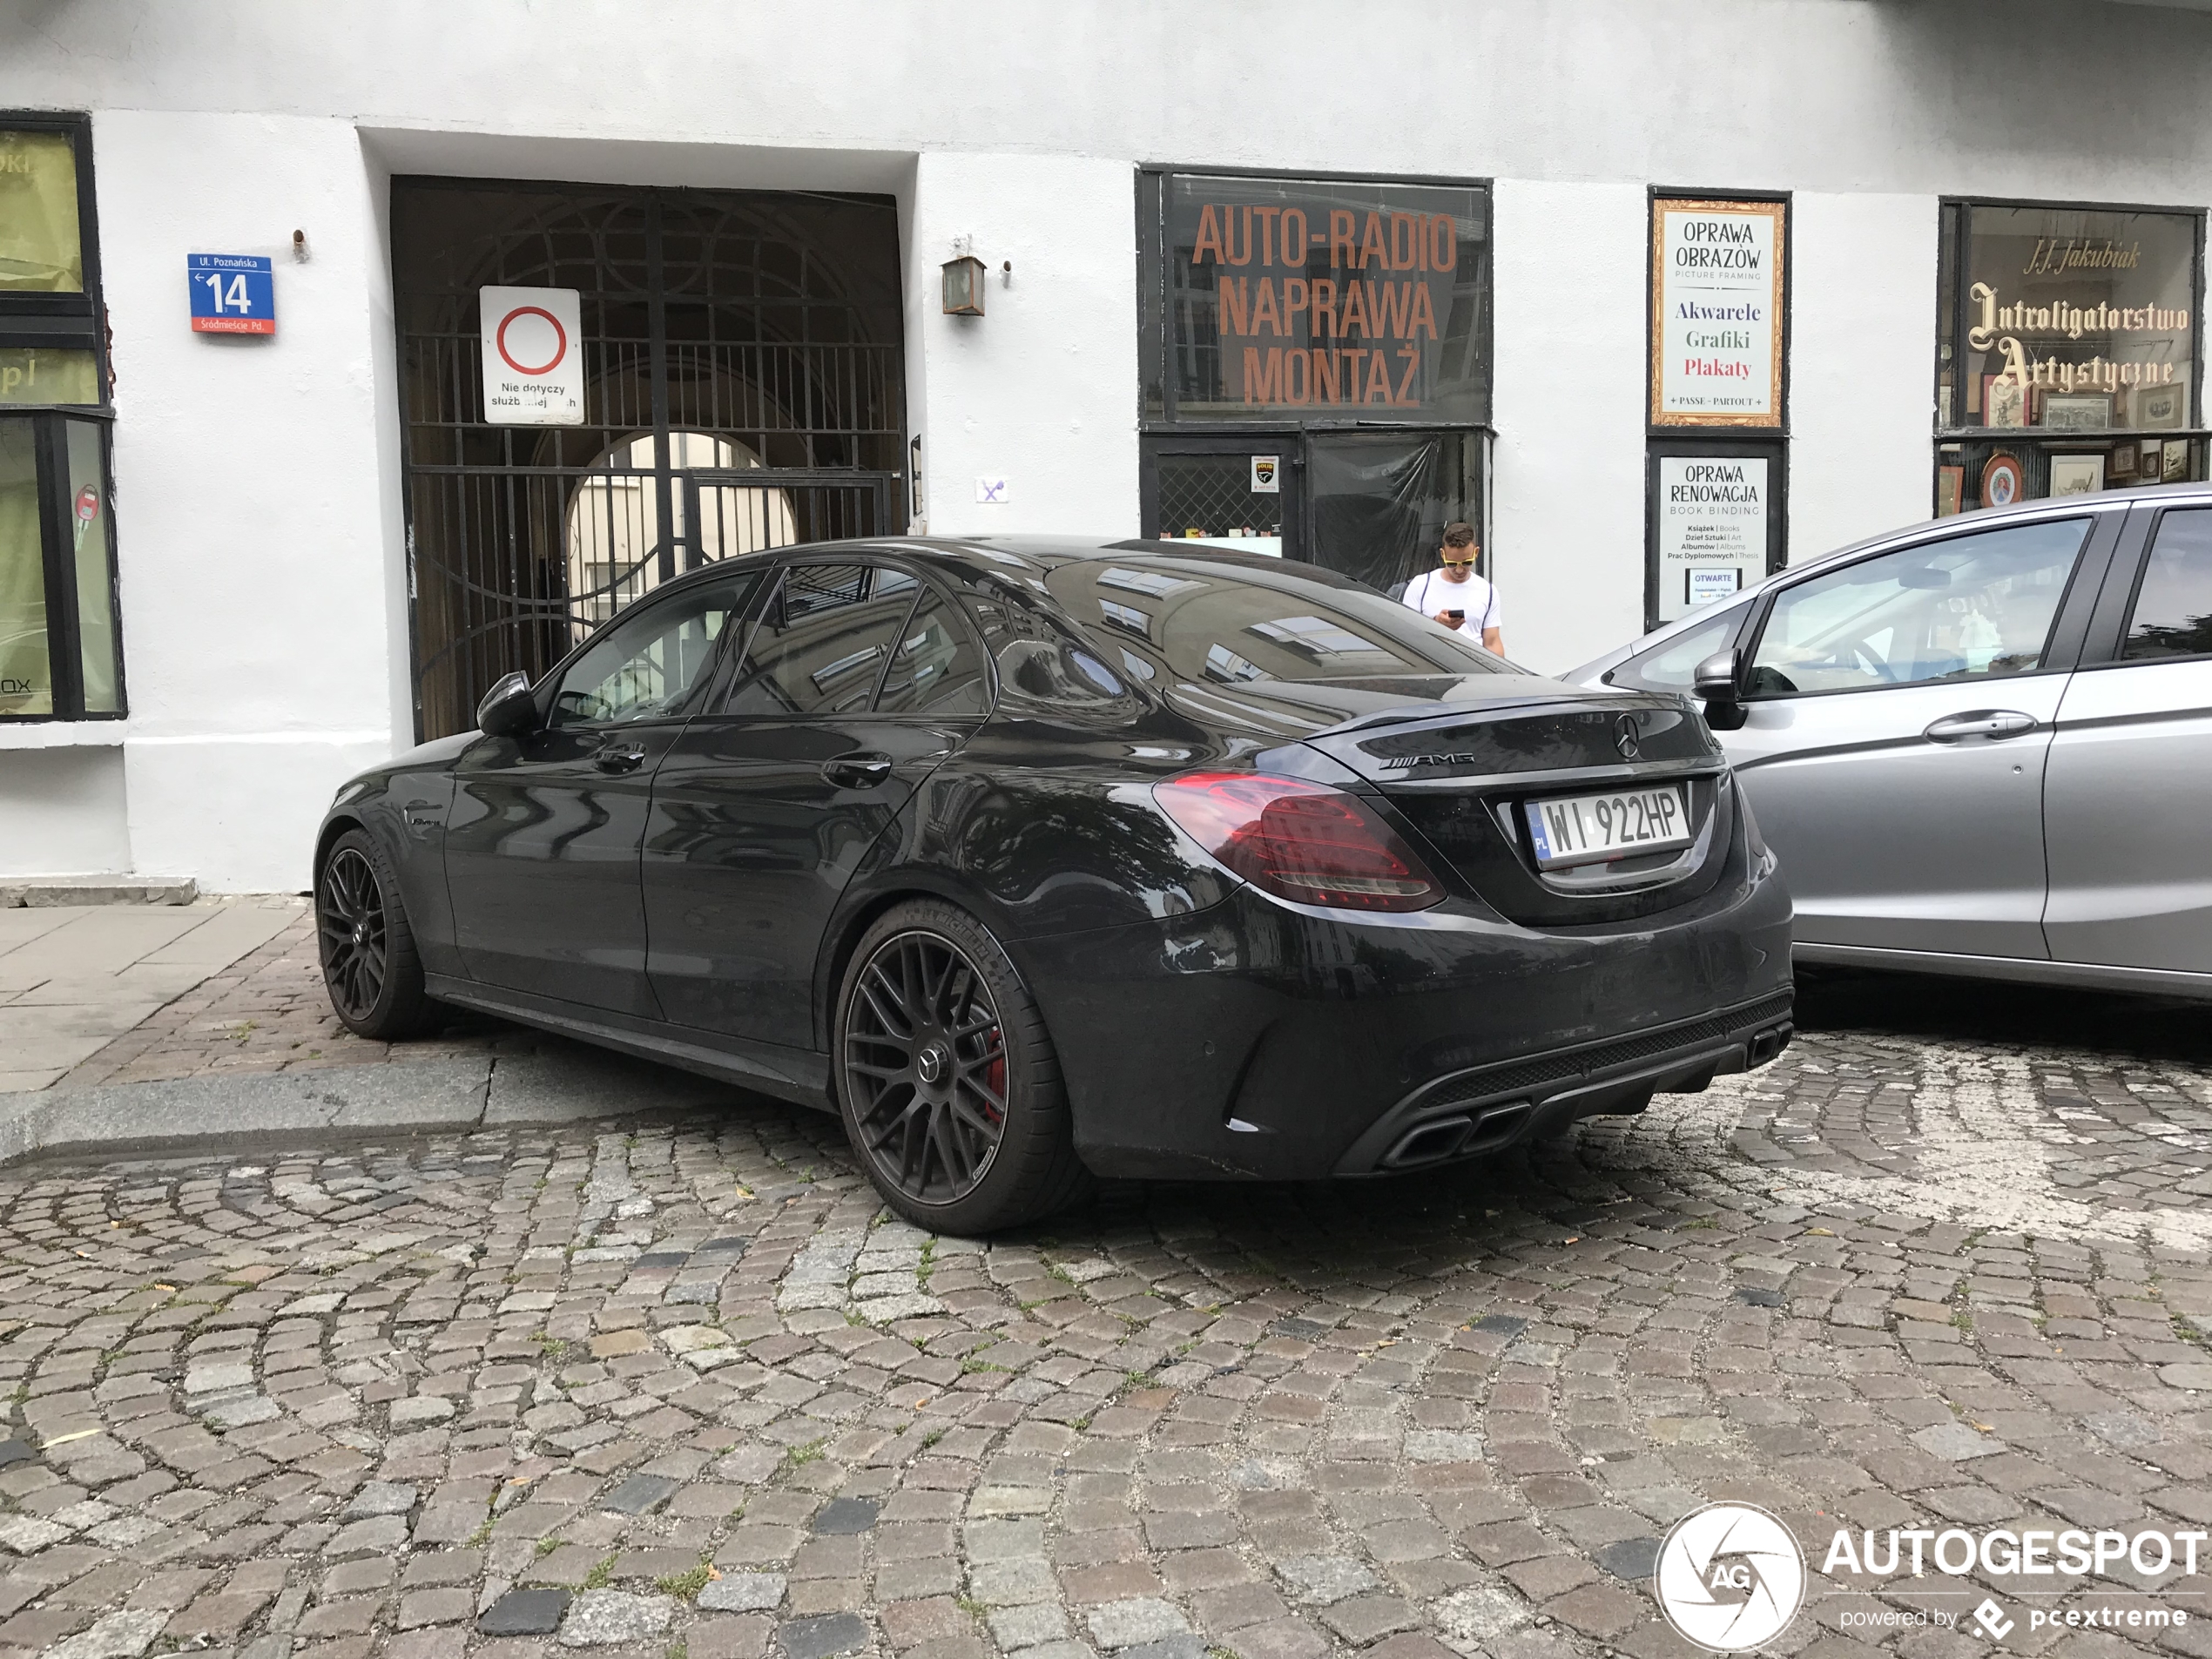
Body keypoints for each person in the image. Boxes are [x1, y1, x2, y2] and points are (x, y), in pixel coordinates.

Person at [1400, 523, 1503, 655]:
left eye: (1466, 562)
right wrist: (1436, 624)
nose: (1459, 570)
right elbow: (1406, 635)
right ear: (1442, 554)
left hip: (1474, 670)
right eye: (1452, 563)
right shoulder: (1421, 585)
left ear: (1476, 552)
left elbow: (1492, 642)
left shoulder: (1488, 591)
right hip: (1433, 669)